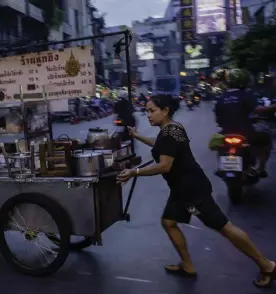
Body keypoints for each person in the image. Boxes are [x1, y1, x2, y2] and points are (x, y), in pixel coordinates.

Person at [116, 94, 275, 288]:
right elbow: (161, 146)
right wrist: (137, 135)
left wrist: (134, 171)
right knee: (168, 222)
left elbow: (164, 166)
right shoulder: (174, 128)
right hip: (182, 188)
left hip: (191, 190)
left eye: (152, 110)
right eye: (146, 111)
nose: (148, 115)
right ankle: (188, 266)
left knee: (224, 227)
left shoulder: (168, 133)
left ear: (165, 111)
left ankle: (266, 265)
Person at [215, 68, 276, 177]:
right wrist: (273, 107)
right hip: (245, 133)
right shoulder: (246, 94)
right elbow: (258, 110)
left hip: (226, 132)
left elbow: (218, 120)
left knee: (219, 145)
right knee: (266, 140)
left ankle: (221, 166)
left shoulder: (222, 97)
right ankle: (260, 169)